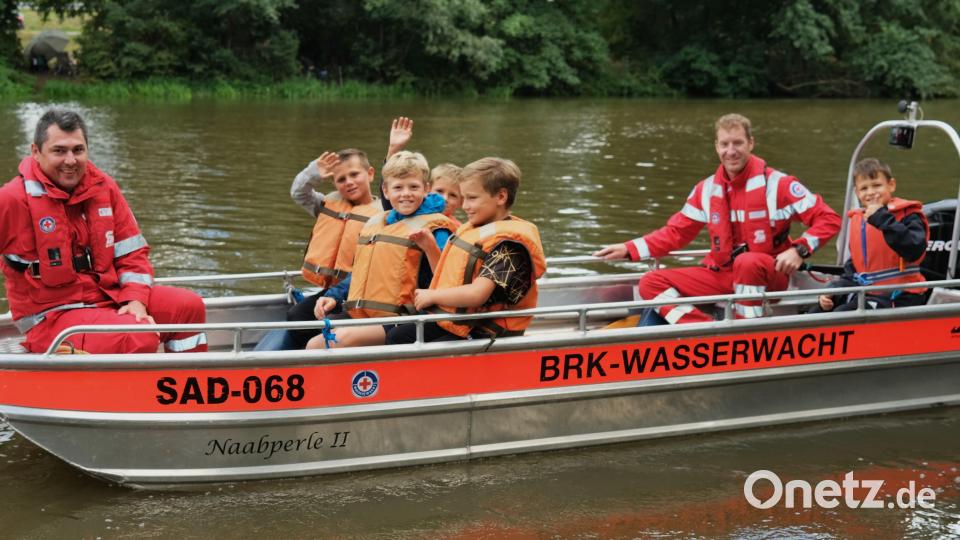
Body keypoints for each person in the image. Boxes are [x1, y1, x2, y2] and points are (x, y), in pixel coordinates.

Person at [594, 113, 841, 323]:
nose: (731, 151)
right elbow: (676, 233)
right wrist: (629, 248)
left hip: (767, 276)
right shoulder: (706, 190)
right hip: (722, 274)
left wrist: (799, 250)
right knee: (650, 282)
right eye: (724, 144)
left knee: (747, 262)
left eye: (738, 143)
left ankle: (746, 331)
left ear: (751, 143)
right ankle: (707, 331)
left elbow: (828, 219)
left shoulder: (779, 185)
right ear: (716, 147)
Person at [0, 109, 207, 354]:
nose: (70, 160)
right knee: (138, 336)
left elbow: (132, 254)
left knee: (188, 307)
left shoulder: (104, 187)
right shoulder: (12, 199)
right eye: (59, 151)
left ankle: (186, 377)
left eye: (78, 150)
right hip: (51, 317)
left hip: (108, 296)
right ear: (36, 152)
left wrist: (136, 300)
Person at [386, 157, 547, 344]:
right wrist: (430, 247)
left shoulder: (508, 247)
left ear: (501, 197)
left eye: (472, 198)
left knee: (405, 342)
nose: (464, 206)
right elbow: (450, 280)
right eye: (464, 198)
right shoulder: (475, 230)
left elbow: (477, 294)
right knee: (397, 335)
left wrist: (433, 296)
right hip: (465, 321)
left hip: (487, 331)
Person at [306, 151, 456, 349]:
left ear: (426, 189)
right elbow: (362, 273)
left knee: (335, 341)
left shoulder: (437, 229)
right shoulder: (379, 223)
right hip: (370, 312)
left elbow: (450, 280)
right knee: (314, 343)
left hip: (407, 316)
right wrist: (333, 295)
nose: (406, 193)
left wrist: (430, 247)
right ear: (385, 191)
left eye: (413, 187)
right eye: (398, 187)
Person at [279, 147, 381, 349]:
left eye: (354, 174)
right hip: (332, 290)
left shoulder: (384, 214)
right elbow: (299, 193)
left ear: (370, 174)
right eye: (341, 179)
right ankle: (306, 357)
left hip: (361, 292)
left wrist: (393, 149)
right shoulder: (326, 204)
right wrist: (313, 173)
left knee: (322, 320)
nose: (349, 182)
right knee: (297, 315)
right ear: (334, 183)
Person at [815, 158, 928, 312]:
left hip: (901, 294)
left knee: (842, 314)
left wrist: (882, 219)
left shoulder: (908, 215)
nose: (870, 192)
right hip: (868, 292)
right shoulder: (859, 220)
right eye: (864, 188)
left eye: (877, 185)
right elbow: (853, 270)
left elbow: (914, 249)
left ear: (891, 185)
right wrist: (834, 290)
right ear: (857, 193)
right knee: (817, 311)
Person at [430, 163, 464, 227]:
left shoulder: (458, 229)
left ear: (461, 202)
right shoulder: (412, 211)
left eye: (453, 195)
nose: (444, 198)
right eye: (439, 191)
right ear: (427, 189)